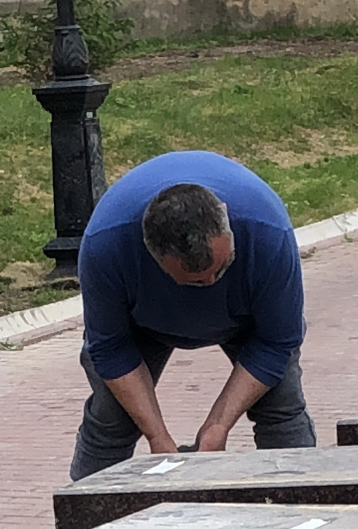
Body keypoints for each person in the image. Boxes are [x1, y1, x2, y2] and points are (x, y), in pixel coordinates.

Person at [70, 149, 316, 480]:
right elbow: (110, 349)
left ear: (225, 217)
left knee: (280, 406)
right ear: (152, 252)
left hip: (248, 318)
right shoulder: (106, 246)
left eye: (223, 267)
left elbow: (277, 341)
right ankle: (88, 506)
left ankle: (299, 494)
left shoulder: (268, 233)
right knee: (113, 418)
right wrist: (158, 437)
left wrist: (218, 426)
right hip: (141, 321)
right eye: (195, 281)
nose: (212, 283)